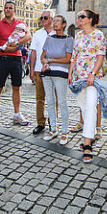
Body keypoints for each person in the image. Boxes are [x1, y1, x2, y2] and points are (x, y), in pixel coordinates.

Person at [68, 9, 106, 162]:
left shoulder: (98, 35)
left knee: (91, 106)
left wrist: (93, 74)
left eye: (82, 17)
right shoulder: (77, 35)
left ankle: (87, 143)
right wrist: (70, 74)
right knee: (84, 107)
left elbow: (100, 56)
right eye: (78, 17)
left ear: (90, 19)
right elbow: (74, 57)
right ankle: (89, 135)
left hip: (92, 78)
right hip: (78, 77)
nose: (79, 19)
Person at [0, 1, 32, 126]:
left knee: (17, 87)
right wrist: (3, 49)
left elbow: (29, 36)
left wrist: (18, 44)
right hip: (3, 59)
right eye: (6, 8)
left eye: (10, 8)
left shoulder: (20, 24)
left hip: (17, 59)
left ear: (14, 10)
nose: (8, 10)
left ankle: (17, 114)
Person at [40, 15, 73, 144]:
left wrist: (51, 60)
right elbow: (42, 56)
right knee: (50, 101)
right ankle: (53, 129)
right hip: (47, 72)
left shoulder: (69, 39)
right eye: (54, 21)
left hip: (61, 73)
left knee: (62, 102)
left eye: (58, 21)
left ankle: (65, 132)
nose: (54, 23)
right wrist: (44, 62)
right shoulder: (49, 38)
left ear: (64, 24)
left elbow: (67, 59)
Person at [29, 10, 55, 135]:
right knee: (40, 98)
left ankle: (52, 123)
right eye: (42, 18)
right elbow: (33, 52)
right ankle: (40, 123)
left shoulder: (58, 33)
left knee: (53, 99)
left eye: (45, 17)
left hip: (54, 71)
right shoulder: (37, 34)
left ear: (51, 19)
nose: (43, 20)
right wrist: (32, 70)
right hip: (39, 70)